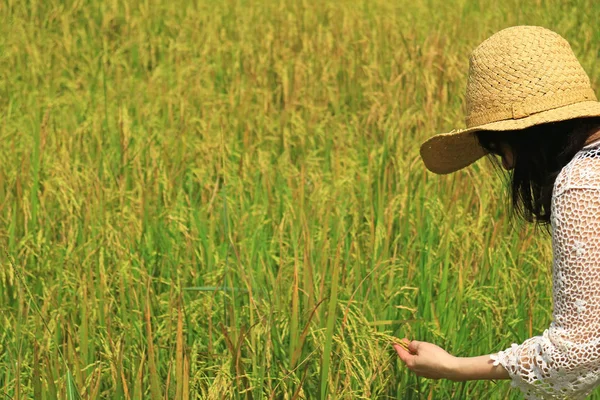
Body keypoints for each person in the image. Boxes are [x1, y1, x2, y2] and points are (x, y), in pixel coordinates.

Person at [393, 25, 600, 399]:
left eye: (497, 146)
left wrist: (452, 367)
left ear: (528, 134)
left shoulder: (582, 182)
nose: (506, 164)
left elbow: (577, 351)